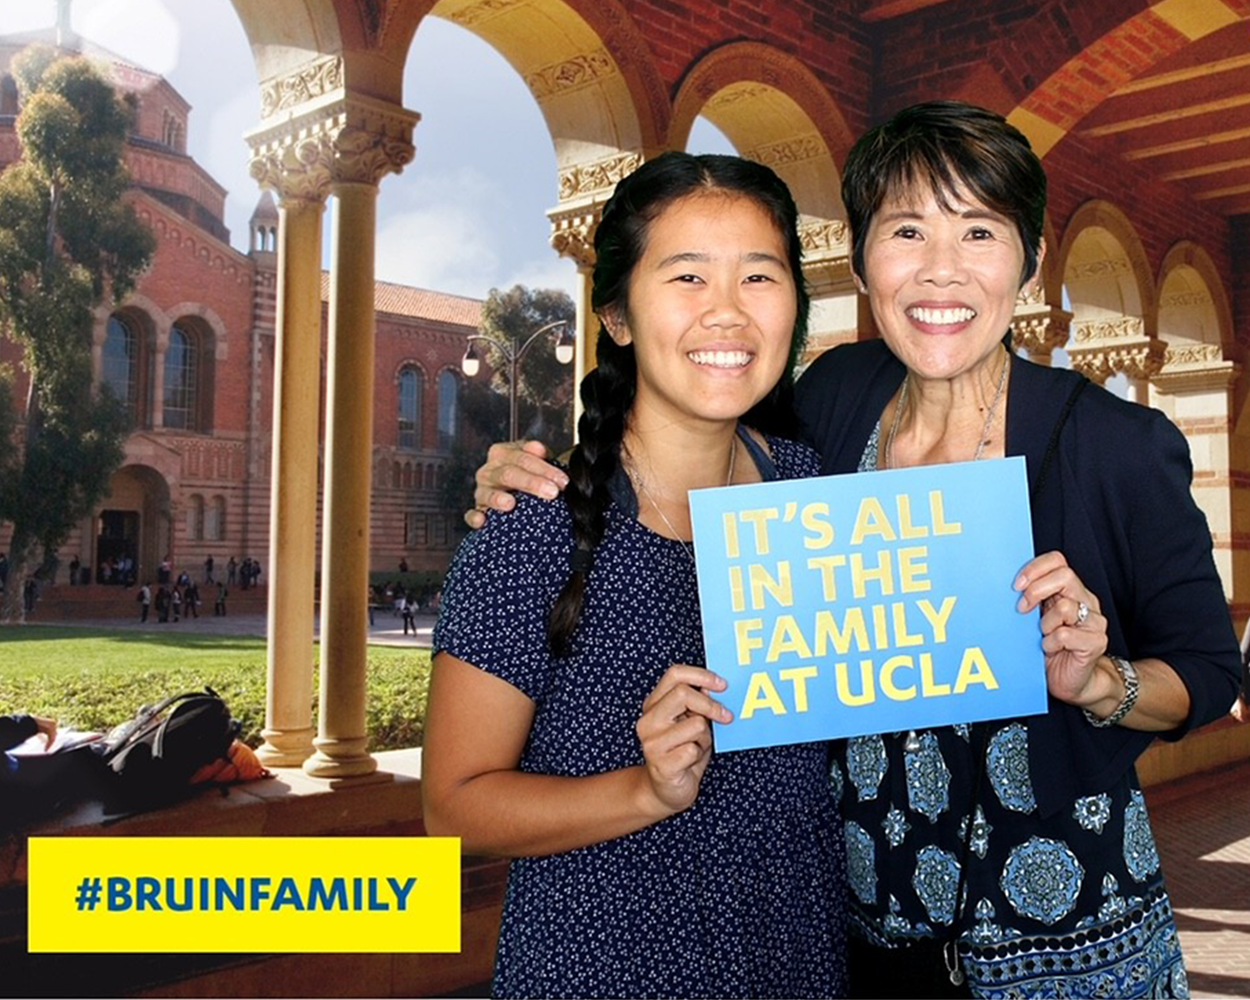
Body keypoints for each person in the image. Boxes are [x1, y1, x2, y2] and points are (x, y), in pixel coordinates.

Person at [467, 102, 1241, 999]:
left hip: (1072, 948)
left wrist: (1108, 684)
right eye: (906, 229)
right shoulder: (834, 403)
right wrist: (528, 477)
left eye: (980, 231)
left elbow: (1209, 672)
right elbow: (691, 428)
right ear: (864, 261)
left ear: (1029, 263)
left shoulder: (1115, 443)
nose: (940, 270)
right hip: (866, 945)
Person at [424, 151, 847, 999]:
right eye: (687, 276)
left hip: (797, 963)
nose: (727, 313)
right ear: (616, 314)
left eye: (759, 277)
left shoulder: (816, 498)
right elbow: (453, 811)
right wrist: (645, 792)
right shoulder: (533, 528)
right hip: (602, 969)